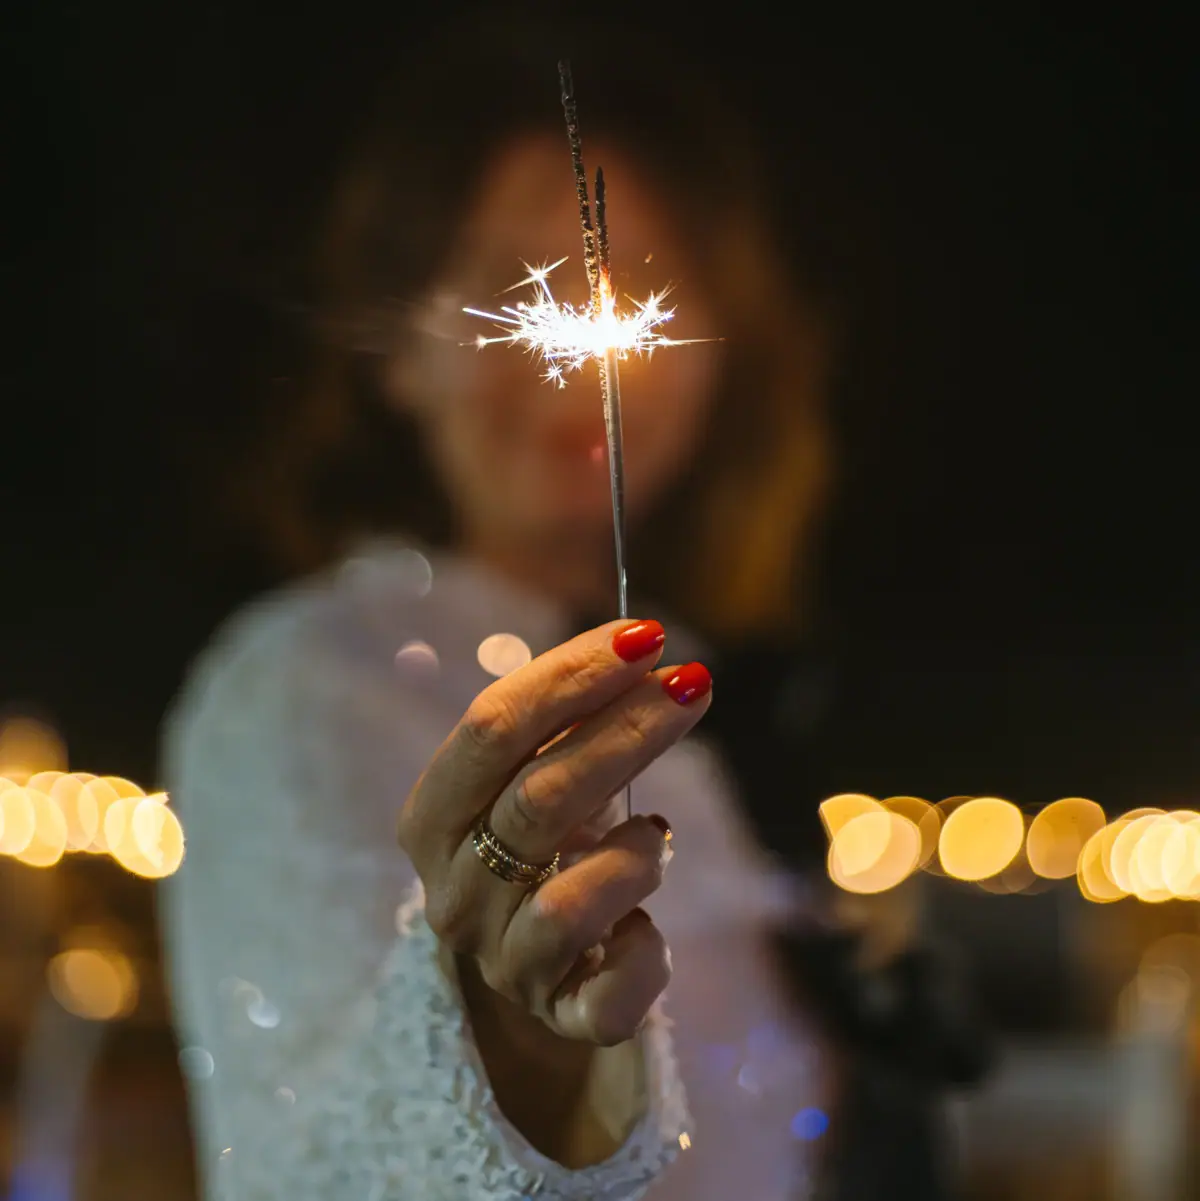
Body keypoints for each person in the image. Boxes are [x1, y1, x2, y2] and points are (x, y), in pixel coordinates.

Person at [160, 18, 840, 1201]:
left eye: (645, 281)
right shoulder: (299, 691)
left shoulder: (726, 716)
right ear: (395, 348)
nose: (563, 344)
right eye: (501, 280)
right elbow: (292, 1167)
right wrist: (503, 1053)